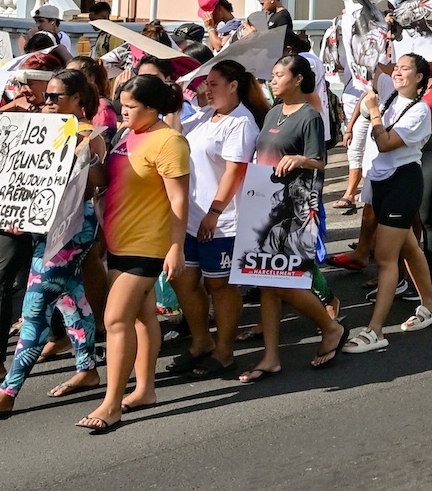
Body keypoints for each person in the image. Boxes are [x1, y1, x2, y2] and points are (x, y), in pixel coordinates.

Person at [0, 70, 108, 418]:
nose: (47, 103)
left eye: (56, 97)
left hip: (72, 228)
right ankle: (87, 369)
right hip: (41, 226)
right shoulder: (38, 128)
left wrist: (81, 152)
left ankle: (8, 390)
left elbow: (98, 183)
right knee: (71, 296)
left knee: (35, 304)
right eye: (46, 96)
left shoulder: (88, 134)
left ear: (78, 100)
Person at [84, 71, 190, 433]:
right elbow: (104, 181)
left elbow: (179, 201)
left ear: (152, 107)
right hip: (118, 240)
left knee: (115, 319)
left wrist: (176, 248)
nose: (122, 112)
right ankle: (145, 389)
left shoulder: (169, 141)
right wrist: (87, 156)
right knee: (144, 317)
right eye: (121, 105)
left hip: (149, 243)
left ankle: (112, 403)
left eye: (130, 107)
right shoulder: (126, 134)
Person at [235, 54, 346, 382]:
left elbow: (320, 162)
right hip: (263, 201)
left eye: (280, 74)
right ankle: (270, 357)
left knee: (283, 281)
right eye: (272, 75)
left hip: (294, 206)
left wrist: (300, 159)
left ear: (298, 79)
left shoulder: (310, 116)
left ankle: (331, 326)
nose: (273, 79)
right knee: (267, 284)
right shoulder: (273, 111)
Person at [165, 58, 264, 378]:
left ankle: (224, 350)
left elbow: (235, 171)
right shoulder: (205, 115)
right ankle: (201, 341)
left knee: (219, 285)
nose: (207, 89)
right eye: (206, 84)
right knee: (183, 279)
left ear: (234, 86)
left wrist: (215, 212)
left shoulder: (241, 122)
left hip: (222, 219)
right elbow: (174, 137)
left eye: (214, 83)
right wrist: (176, 100)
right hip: (190, 217)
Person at [344, 53, 432, 352]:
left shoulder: (421, 110)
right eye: (396, 67)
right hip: (383, 180)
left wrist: (374, 113)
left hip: (403, 181)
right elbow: (366, 102)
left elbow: (386, 143)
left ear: (419, 78)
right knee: (410, 246)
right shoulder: (388, 100)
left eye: (405, 69)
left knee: (386, 260)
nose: (397, 72)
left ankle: (375, 330)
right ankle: (431, 304)